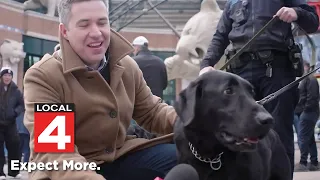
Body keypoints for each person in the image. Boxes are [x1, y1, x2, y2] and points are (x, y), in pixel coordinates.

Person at [23, 0, 177, 180]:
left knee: (184, 159)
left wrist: (189, 123)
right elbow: (55, 151)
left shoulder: (127, 65)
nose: (96, 33)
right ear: (65, 31)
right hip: (63, 170)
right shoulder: (44, 76)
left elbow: (152, 112)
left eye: (102, 22)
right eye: (84, 24)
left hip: (118, 157)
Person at [199, 0, 319, 177]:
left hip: (276, 71)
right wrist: (206, 64)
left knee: (279, 134)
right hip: (241, 74)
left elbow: (313, 21)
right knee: (240, 135)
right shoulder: (233, 3)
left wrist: (296, 12)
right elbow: (220, 36)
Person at [294, 61, 319, 171]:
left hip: (309, 112)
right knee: (309, 138)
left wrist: (305, 110)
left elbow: (312, 97)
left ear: (306, 67)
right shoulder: (305, 79)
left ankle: (303, 162)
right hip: (307, 112)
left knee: (303, 137)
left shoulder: (310, 79)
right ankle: (314, 162)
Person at [0, 68, 23, 179]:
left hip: (11, 123)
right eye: (5, 75)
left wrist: (15, 112)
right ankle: (0, 173)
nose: (7, 77)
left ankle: (14, 172)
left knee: (14, 146)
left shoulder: (16, 90)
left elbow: (21, 105)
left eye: (9, 76)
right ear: (1, 77)